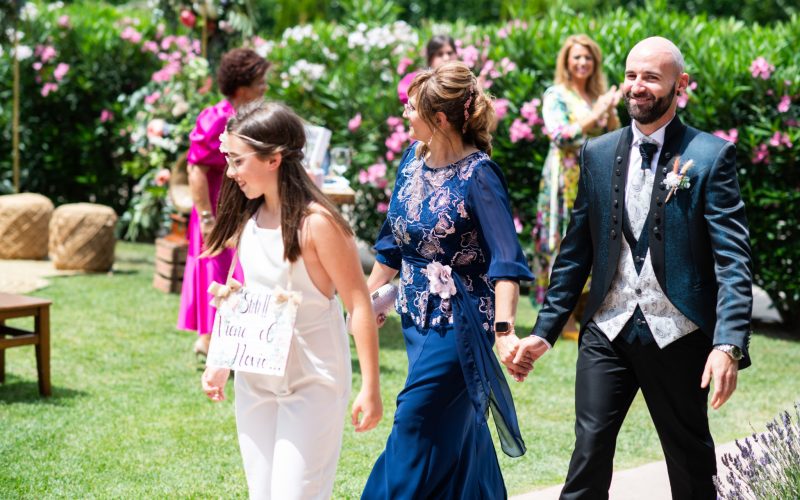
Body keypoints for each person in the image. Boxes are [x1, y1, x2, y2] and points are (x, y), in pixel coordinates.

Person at [514, 37, 753, 499]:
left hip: (679, 335)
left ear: (680, 85)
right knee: (588, 452)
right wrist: (545, 331)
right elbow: (575, 253)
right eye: (630, 76)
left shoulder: (710, 156)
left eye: (650, 77)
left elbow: (733, 258)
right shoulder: (597, 153)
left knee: (690, 463)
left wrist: (728, 343)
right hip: (608, 329)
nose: (637, 87)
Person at [363, 61, 534, 499]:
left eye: (412, 108)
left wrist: (504, 329)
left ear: (440, 119)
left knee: (414, 423)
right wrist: (365, 303)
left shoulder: (480, 175)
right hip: (416, 323)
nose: (405, 115)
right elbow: (390, 245)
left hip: (460, 325)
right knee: (457, 435)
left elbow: (507, 261)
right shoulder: (411, 162)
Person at [200, 101, 382, 499]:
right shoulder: (249, 220)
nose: (230, 172)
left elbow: (359, 304)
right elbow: (239, 294)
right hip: (256, 380)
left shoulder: (319, 224)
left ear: (274, 159)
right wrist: (219, 360)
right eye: (227, 159)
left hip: (313, 382)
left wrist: (371, 386)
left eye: (236, 160)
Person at [177, 48, 269, 357]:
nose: (264, 88)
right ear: (242, 88)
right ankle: (214, 343)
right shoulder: (216, 118)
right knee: (218, 273)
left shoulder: (250, 118)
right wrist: (206, 218)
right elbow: (195, 169)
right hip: (216, 210)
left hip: (240, 208)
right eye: (260, 82)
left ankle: (227, 342)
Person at [531, 34, 621, 338]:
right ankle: (564, 319)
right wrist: (594, 115)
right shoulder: (555, 94)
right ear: (567, 62)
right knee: (563, 243)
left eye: (588, 58)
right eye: (577, 57)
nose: (582, 62)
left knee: (595, 241)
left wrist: (608, 109)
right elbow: (561, 136)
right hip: (563, 180)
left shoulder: (597, 96)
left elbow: (617, 136)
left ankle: (585, 313)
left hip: (595, 177)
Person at [397, 34, 457, 105]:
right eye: (440, 54)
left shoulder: (464, 79)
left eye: (450, 53)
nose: (446, 58)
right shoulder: (418, 81)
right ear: (430, 59)